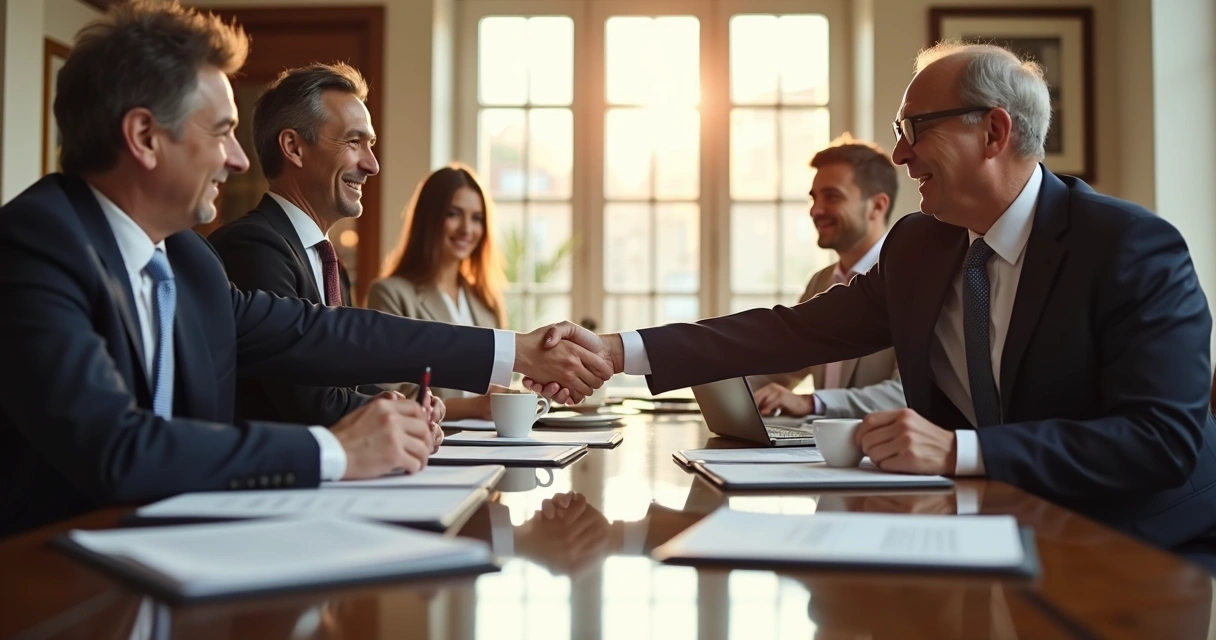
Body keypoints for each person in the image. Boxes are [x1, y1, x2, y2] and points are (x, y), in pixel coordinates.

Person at [528, 42, 1216, 566]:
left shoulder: (1128, 247)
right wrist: (619, 351)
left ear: (995, 134)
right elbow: (793, 332)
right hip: (976, 531)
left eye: (915, 127)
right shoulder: (922, 245)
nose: (898, 150)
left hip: (1128, 544)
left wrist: (960, 450)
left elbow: (1161, 442)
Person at [0, 0, 610, 537]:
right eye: (221, 133)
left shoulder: (187, 259)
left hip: (191, 551)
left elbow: (325, 333)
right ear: (144, 136)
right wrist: (335, 450)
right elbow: (115, 447)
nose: (239, 160)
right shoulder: (36, 244)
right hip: (54, 580)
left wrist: (514, 352)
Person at [208, 62, 396, 427]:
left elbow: (347, 375)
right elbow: (306, 400)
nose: (372, 164)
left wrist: (406, 403)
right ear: (293, 147)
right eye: (353, 142)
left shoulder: (332, 264)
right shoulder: (252, 246)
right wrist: (392, 412)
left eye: (369, 144)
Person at [749, 135, 904, 419]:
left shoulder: (912, 282)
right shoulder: (820, 283)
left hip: (882, 458)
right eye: (814, 197)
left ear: (877, 206)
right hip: (823, 454)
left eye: (831, 197)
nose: (815, 210)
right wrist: (714, 378)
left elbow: (906, 394)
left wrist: (812, 403)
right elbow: (782, 364)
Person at [367, 164, 508, 420]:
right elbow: (386, 396)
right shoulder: (390, 294)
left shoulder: (486, 302)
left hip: (491, 447)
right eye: (454, 214)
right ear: (429, 219)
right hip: (430, 449)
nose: (467, 229)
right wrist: (475, 407)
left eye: (477, 218)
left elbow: (499, 390)